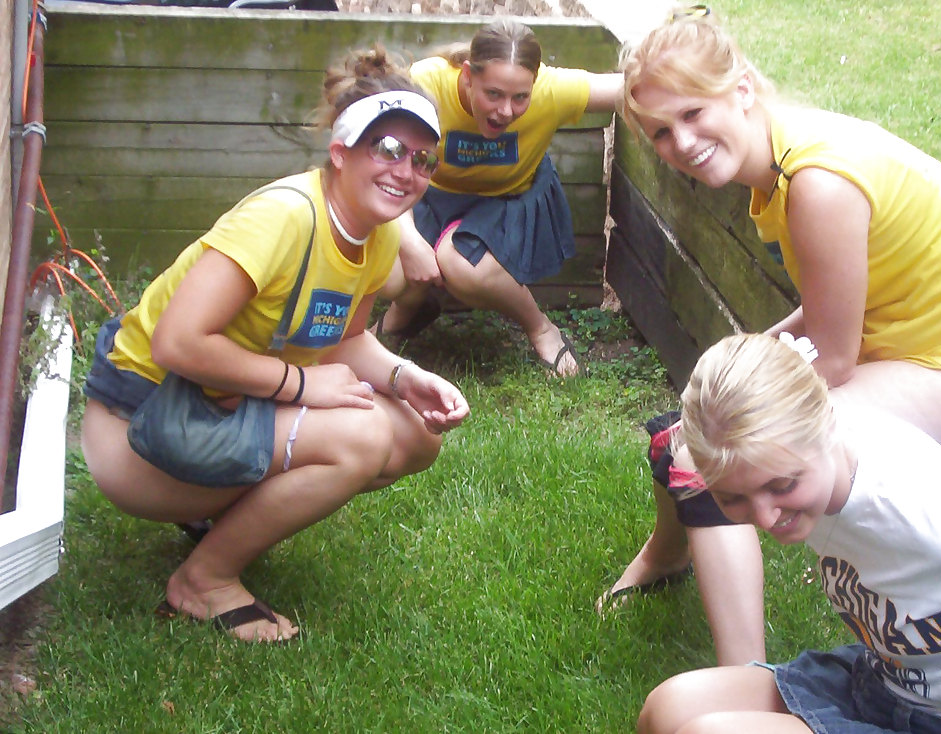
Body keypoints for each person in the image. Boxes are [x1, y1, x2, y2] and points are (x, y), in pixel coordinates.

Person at [599, 3, 941, 665]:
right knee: (701, 420)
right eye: (661, 133)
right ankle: (664, 558)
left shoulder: (817, 183)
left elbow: (834, 360)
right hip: (922, 354)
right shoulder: (788, 163)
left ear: (743, 90)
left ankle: (744, 677)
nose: (682, 143)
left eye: (694, 113)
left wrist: (729, 397)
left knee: (706, 451)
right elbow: (822, 316)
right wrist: (732, 365)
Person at [79, 47, 470, 643]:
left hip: (221, 403)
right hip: (141, 422)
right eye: (388, 149)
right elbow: (177, 342)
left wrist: (403, 377)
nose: (406, 170)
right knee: (361, 437)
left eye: (423, 159)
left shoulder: (377, 235)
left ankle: (219, 520)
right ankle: (204, 580)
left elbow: (345, 340)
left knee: (415, 436)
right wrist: (303, 385)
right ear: (340, 152)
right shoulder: (284, 217)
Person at [636, 332, 941, 734]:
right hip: (876, 681)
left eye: (782, 485)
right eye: (732, 497)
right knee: (668, 709)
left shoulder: (938, 512)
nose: (766, 516)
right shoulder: (805, 464)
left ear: (827, 422)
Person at [374, 18, 623, 376]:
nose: (506, 111)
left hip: (506, 204)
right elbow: (392, 166)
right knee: (389, 273)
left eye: (520, 97)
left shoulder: (552, 90)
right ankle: (407, 310)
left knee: (461, 263)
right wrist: (411, 242)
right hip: (429, 198)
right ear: (466, 77)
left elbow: (632, 89)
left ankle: (540, 327)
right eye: (493, 94)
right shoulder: (426, 84)